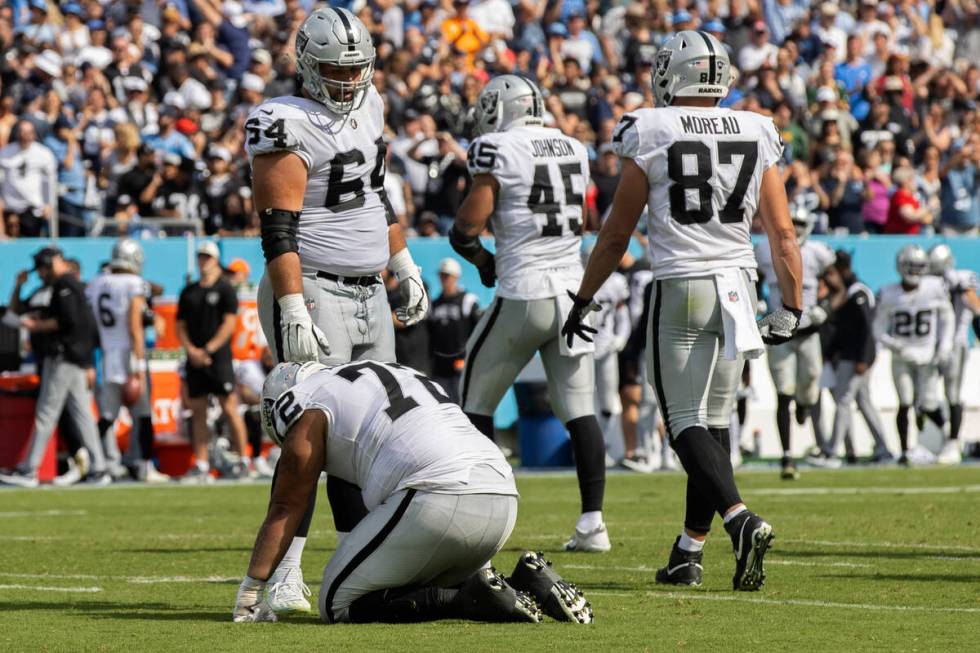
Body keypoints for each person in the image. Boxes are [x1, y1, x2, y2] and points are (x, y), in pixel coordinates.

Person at [562, 31, 802, 590]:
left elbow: (618, 231)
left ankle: (740, 521)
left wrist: (584, 295)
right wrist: (792, 304)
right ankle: (687, 554)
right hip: (739, 285)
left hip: (684, 282)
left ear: (675, 72)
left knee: (682, 420)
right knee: (713, 423)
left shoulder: (651, 126)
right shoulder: (757, 127)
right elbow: (783, 233)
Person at [245, 7, 428, 616]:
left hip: (368, 289)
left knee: (373, 428)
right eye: (334, 69)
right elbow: (278, 225)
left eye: (356, 69)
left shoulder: (371, 105)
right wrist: (293, 304)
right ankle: (284, 576)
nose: (348, 81)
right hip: (315, 286)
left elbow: (375, 193)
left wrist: (402, 263)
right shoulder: (284, 120)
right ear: (305, 63)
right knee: (311, 433)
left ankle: (359, 562)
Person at [232, 360, 592, 625]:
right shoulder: (381, 374)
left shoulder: (305, 404)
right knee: (411, 572)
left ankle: (464, 601)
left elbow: (285, 505)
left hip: (439, 497)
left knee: (335, 602)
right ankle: (524, 582)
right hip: (502, 495)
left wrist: (250, 593)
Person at [449, 74, 610, 553]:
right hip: (572, 290)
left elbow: (467, 227)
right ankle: (593, 523)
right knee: (580, 410)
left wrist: (482, 261)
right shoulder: (573, 147)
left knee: (475, 401)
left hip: (524, 291)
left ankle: (479, 515)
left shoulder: (497, 148)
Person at [0, 247, 108, 488]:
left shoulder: (65, 285)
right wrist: (18, 286)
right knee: (82, 415)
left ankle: (29, 469)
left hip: (63, 357)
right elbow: (14, 313)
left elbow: (68, 321)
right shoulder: (55, 288)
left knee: (46, 413)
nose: (40, 274)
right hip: (70, 359)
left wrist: (36, 327)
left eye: (42, 268)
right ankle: (99, 467)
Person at [755, 204, 835, 478]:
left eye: (800, 224)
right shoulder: (765, 250)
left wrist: (824, 307)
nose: (796, 229)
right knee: (783, 392)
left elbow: (838, 287)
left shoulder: (817, 253)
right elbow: (754, 280)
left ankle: (803, 404)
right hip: (780, 333)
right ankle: (787, 457)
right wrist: (757, 301)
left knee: (809, 389)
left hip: (809, 333)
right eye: (792, 223)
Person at [85, 239, 169, 483]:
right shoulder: (135, 284)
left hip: (105, 355)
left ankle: (96, 461)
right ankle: (143, 465)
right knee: (142, 413)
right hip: (128, 354)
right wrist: (139, 363)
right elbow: (134, 325)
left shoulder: (96, 283)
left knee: (107, 416)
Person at [176, 241, 250, 483]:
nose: (203, 261)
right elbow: (180, 326)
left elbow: (228, 325)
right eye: (201, 256)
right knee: (197, 411)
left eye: (207, 257)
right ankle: (201, 463)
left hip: (218, 357)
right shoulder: (189, 291)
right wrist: (192, 351)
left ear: (216, 260)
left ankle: (243, 460)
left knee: (229, 407)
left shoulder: (225, 289)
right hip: (196, 357)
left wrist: (208, 349)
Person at [874, 246, 953, 466]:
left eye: (919, 266)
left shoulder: (935, 287)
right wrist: (895, 346)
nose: (915, 271)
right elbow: (878, 329)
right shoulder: (889, 293)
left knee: (928, 402)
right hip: (902, 355)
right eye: (911, 266)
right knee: (905, 401)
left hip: (927, 354)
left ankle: (949, 437)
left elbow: (947, 318)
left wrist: (944, 346)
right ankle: (905, 450)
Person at [822, 251, 892, 465]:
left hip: (856, 358)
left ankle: (833, 452)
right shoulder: (850, 292)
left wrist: (863, 358)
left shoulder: (857, 292)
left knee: (843, 401)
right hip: (853, 356)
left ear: (841, 270)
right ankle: (883, 448)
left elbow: (865, 329)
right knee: (863, 402)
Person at [927, 244, 980, 463]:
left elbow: (974, 304)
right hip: (928, 345)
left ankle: (953, 441)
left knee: (953, 393)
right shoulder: (926, 283)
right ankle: (946, 429)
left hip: (956, 343)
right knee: (925, 397)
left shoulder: (961, 278)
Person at [427, 257, 482, 403]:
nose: (444, 279)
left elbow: (478, 333)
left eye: (447, 275)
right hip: (440, 368)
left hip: (461, 366)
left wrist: (468, 360)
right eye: (441, 275)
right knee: (444, 408)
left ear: (456, 277)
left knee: (465, 407)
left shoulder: (467, 301)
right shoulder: (434, 304)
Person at [0, 121, 57, 238]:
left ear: (34, 134)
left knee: (31, 241)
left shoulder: (43, 153)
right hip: (10, 207)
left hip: (33, 208)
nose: (25, 136)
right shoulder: (5, 152)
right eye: (22, 132)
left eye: (28, 133)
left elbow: (50, 181)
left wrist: (49, 204)